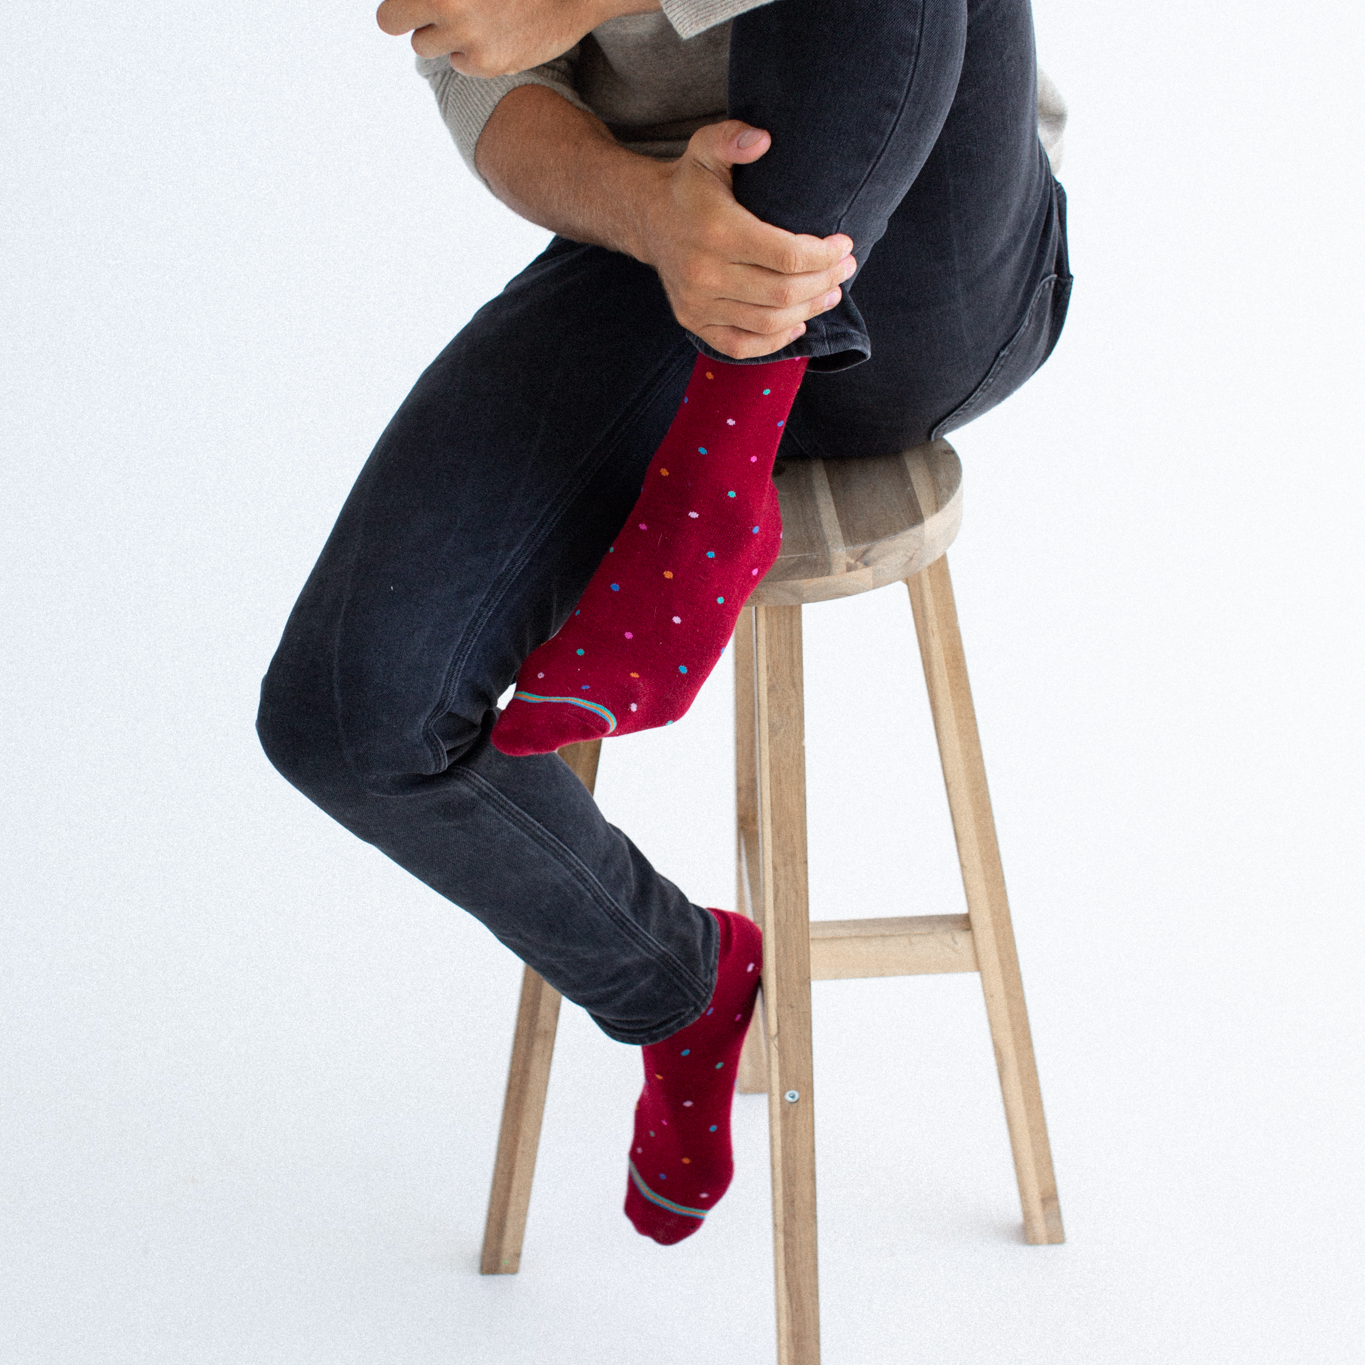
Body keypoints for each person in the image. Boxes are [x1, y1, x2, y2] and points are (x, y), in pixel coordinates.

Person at [256, 0, 1071, 1245]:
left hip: (937, 257)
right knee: (348, 714)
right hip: (667, 251)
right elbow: (482, 83)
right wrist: (655, 219)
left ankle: (719, 467)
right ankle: (679, 984)